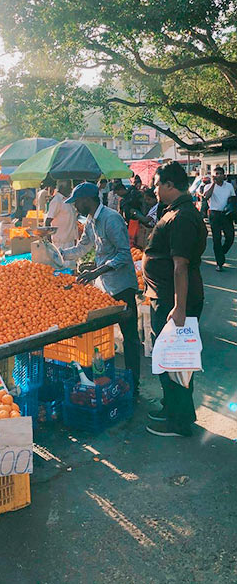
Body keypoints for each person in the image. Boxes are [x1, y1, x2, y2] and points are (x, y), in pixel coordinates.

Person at [143, 161, 207, 437]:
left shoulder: (182, 217)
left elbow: (180, 265)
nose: (155, 190)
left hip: (174, 300)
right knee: (168, 359)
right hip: (168, 297)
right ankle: (172, 407)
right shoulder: (176, 211)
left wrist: (179, 308)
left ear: (170, 185)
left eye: (157, 184)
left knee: (177, 362)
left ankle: (179, 423)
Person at [60, 182, 141, 395]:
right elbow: (83, 247)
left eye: (76, 202)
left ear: (88, 200)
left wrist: (97, 271)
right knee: (101, 338)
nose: (75, 206)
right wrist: (58, 254)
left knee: (130, 337)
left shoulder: (111, 219)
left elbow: (124, 254)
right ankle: (104, 380)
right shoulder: (90, 221)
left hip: (122, 286)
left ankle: (135, 384)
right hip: (104, 287)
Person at [203, 166, 236, 271]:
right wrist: (213, 184)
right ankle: (219, 263)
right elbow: (206, 197)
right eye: (215, 174)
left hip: (226, 215)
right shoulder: (208, 186)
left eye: (219, 174)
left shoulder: (229, 186)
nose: (217, 176)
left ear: (223, 175)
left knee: (230, 237)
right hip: (214, 214)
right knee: (216, 239)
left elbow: (233, 199)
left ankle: (221, 253)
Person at [45, 179, 78, 250]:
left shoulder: (68, 200)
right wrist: (49, 240)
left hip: (70, 241)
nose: (71, 189)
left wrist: (75, 238)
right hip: (60, 243)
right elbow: (48, 221)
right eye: (69, 187)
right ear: (62, 187)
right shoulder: (57, 200)